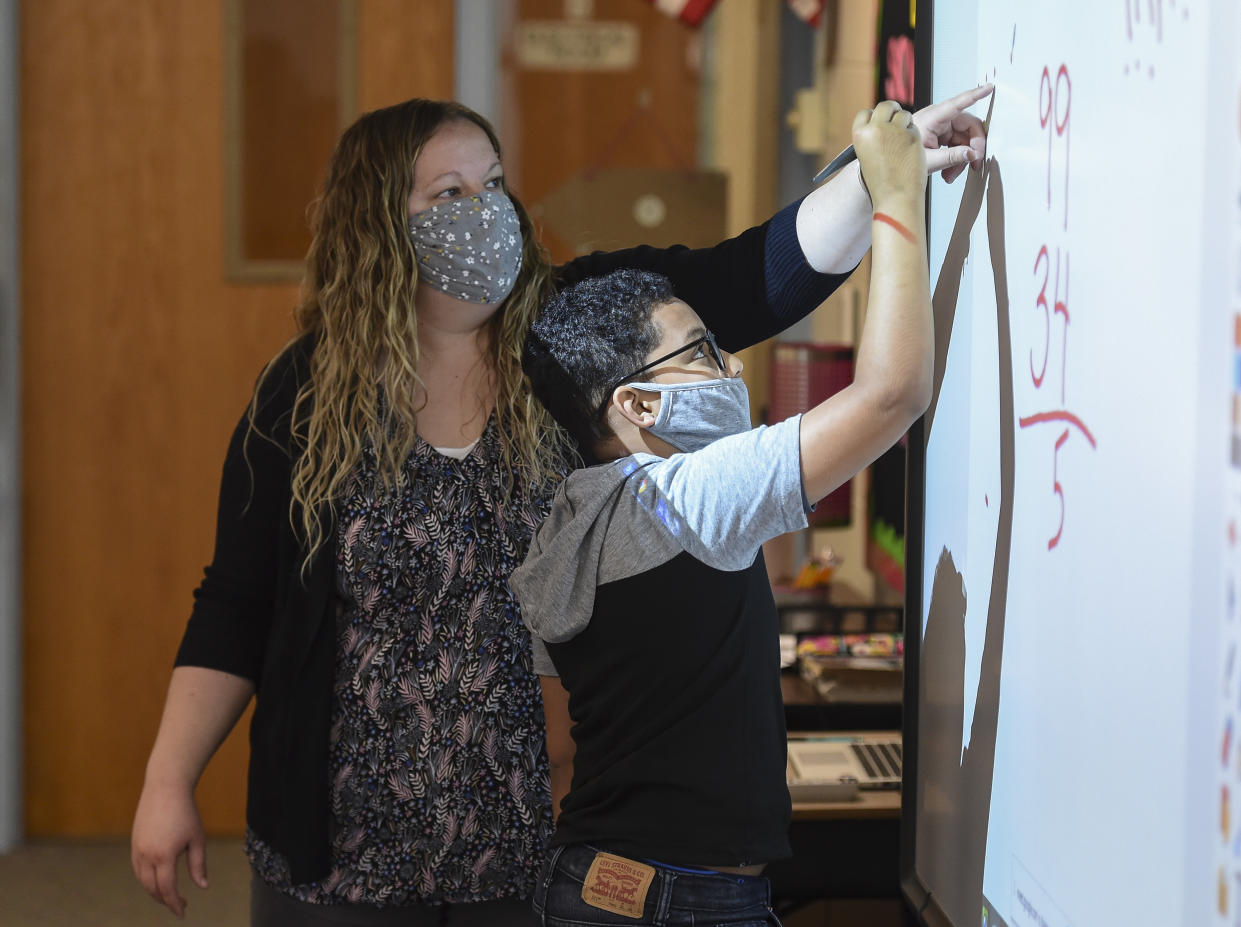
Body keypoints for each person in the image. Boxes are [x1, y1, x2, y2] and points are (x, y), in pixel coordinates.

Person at [130, 86, 989, 926]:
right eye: (449, 194)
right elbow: (237, 602)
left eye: (494, 184)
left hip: (533, 848)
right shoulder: (305, 393)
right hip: (340, 849)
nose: (484, 210)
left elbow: (752, 275)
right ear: (380, 223)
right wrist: (169, 781)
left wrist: (887, 164)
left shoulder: (563, 336)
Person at [510, 100, 932, 926]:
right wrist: (896, 200)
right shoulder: (686, 499)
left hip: (590, 880)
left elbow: (562, 751)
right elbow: (891, 394)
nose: (729, 366)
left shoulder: (560, 527)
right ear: (632, 404)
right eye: (699, 354)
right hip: (682, 898)